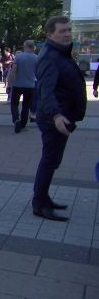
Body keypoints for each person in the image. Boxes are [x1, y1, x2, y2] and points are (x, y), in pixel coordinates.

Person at [32, 15, 87, 222]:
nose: (67, 34)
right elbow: (46, 91)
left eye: (69, 30)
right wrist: (56, 115)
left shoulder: (60, 53)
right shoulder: (50, 56)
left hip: (62, 117)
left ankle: (43, 198)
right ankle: (39, 203)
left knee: (52, 161)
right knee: (49, 161)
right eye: (62, 31)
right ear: (50, 34)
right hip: (54, 119)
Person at [7, 40, 38, 133]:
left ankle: (16, 119)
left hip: (17, 84)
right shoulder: (37, 58)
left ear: (25, 46)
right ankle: (23, 123)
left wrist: (9, 84)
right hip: (31, 85)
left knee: (14, 104)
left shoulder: (19, 57)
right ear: (33, 47)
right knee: (26, 105)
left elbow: (13, 71)